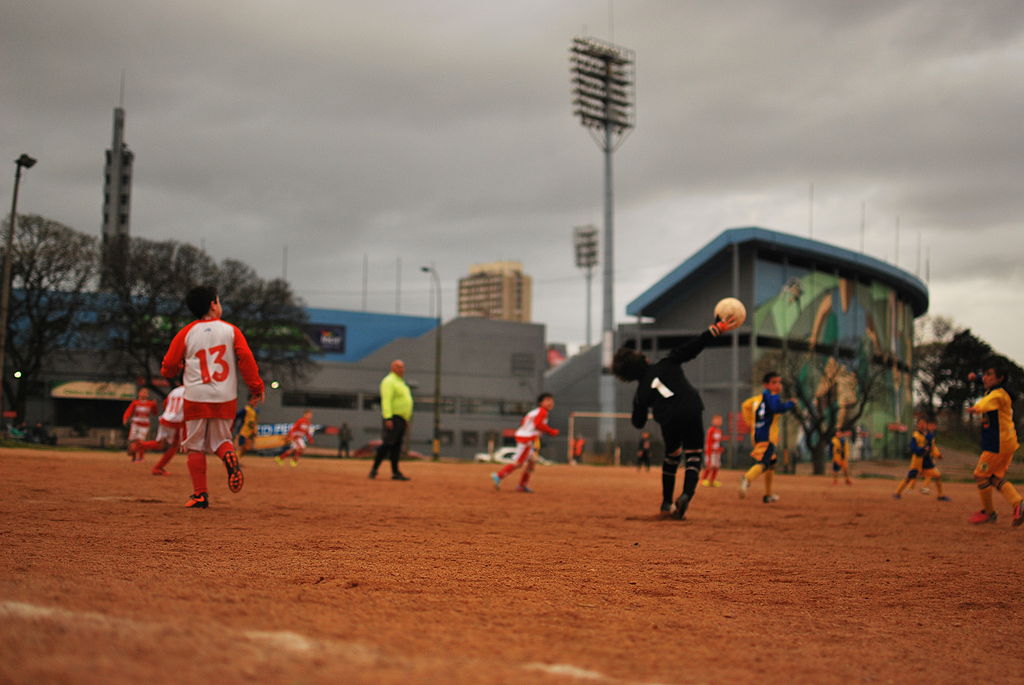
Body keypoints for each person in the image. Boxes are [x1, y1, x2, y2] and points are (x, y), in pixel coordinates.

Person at [612, 313, 739, 519]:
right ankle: (687, 494)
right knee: (694, 454)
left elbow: (638, 423)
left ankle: (666, 503)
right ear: (644, 359)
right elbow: (693, 347)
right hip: (690, 407)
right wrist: (714, 329)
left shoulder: (641, 393)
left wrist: (639, 407)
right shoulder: (667, 362)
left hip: (668, 418)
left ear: (628, 377)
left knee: (672, 457)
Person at [160, 285, 264, 509]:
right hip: (225, 396)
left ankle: (200, 494)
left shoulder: (187, 332)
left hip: (196, 395)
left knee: (195, 446)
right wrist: (256, 386)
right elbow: (245, 358)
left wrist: (171, 371)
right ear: (213, 305)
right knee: (222, 440)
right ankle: (229, 457)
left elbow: (168, 364)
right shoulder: (231, 330)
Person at [965, 362, 1024, 526]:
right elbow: (984, 382)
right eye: (984, 374)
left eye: (989, 374)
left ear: (1000, 378)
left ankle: (990, 513)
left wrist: (976, 408)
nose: (985, 377)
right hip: (1007, 442)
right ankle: (1017, 503)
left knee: (980, 475)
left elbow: (988, 401)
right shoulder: (998, 389)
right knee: (994, 477)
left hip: (997, 444)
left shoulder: (998, 394)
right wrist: (975, 378)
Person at [739, 372, 797, 504]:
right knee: (764, 463)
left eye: (779, 382)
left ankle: (768, 495)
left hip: (758, 434)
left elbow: (745, 406)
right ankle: (747, 478)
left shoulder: (757, 399)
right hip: (768, 436)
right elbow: (776, 408)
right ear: (766, 385)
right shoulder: (773, 397)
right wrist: (790, 404)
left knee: (771, 464)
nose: (778, 385)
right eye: (774, 382)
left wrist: (751, 424)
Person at [491, 393, 559, 493]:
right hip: (527, 439)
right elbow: (538, 424)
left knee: (532, 462)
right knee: (519, 463)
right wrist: (551, 431)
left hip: (525, 437)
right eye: (547, 400)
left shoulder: (534, 411)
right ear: (541, 402)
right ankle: (498, 476)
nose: (551, 402)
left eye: (551, 400)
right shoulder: (542, 412)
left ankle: (522, 485)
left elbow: (524, 422)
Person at [369, 359, 412, 481]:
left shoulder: (401, 382)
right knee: (388, 443)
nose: (402, 369)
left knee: (397, 446)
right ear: (392, 368)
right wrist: (388, 418)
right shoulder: (389, 381)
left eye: (403, 367)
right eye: (399, 367)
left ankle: (395, 472)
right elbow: (386, 400)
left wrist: (406, 419)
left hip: (401, 419)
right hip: (393, 418)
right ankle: (374, 469)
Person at [132, 382, 186, 476]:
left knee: (160, 444)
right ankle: (158, 468)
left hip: (165, 418)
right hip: (176, 421)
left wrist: (170, 413)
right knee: (174, 446)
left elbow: (165, 404)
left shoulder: (174, 391)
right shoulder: (191, 391)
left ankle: (139, 445)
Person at [123, 387, 158, 462]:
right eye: (143, 392)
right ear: (139, 393)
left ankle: (141, 457)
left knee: (141, 441)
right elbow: (129, 411)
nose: (144, 394)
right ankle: (134, 456)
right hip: (135, 424)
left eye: (146, 393)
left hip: (144, 425)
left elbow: (155, 413)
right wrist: (125, 418)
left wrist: (155, 405)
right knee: (133, 441)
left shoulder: (150, 403)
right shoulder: (135, 403)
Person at [700, 414, 724, 487]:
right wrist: (709, 452)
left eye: (720, 420)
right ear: (713, 421)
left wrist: (719, 449)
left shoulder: (719, 431)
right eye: (717, 420)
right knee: (709, 465)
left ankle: (712, 481)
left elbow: (718, 442)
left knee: (716, 466)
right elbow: (709, 442)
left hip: (717, 452)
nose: (718, 422)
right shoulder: (711, 430)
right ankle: (703, 480)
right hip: (710, 451)